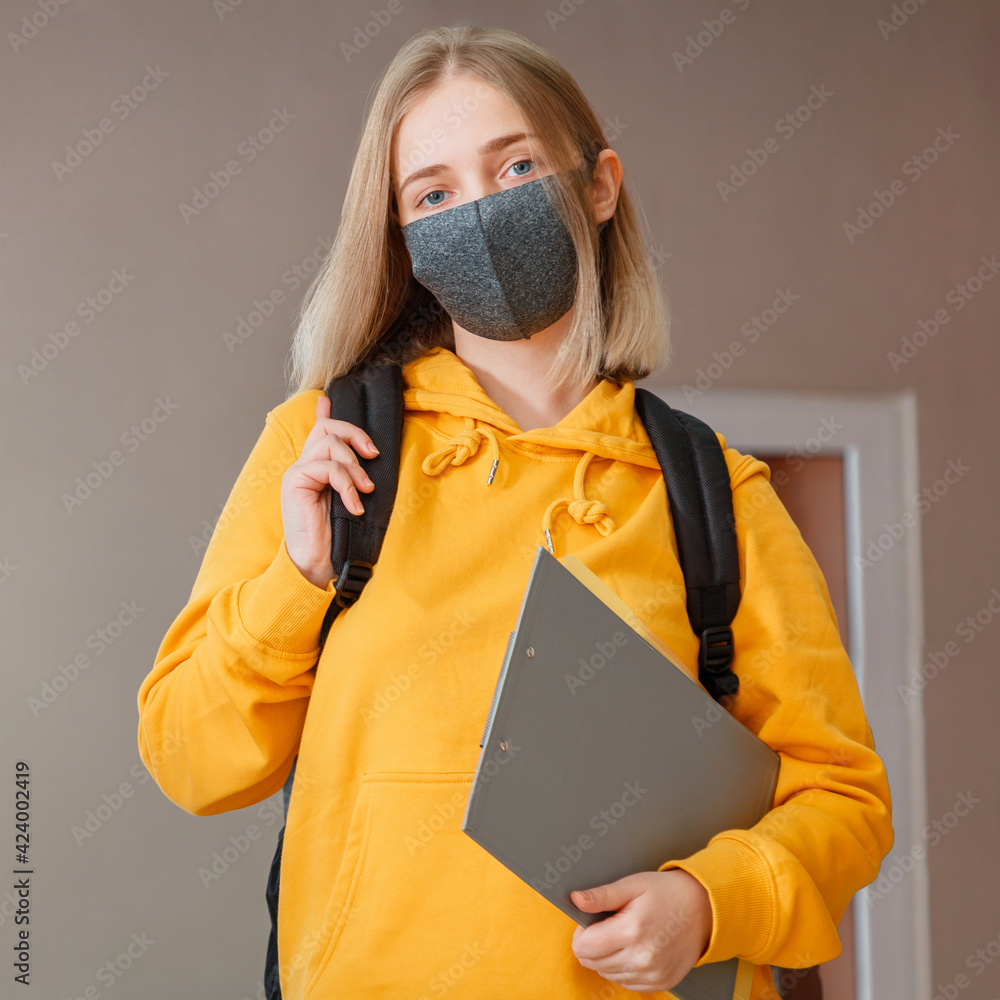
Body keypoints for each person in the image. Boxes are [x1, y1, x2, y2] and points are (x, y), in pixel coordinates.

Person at [136, 24, 893, 1000]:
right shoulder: (320, 450)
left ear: (599, 185)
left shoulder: (716, 495)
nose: (480, 212)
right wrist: (296, 582)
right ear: (402, 237)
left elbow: (843, 799)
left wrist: (711, 903)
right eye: (434, 193)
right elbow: (189, 760)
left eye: (516, 164)